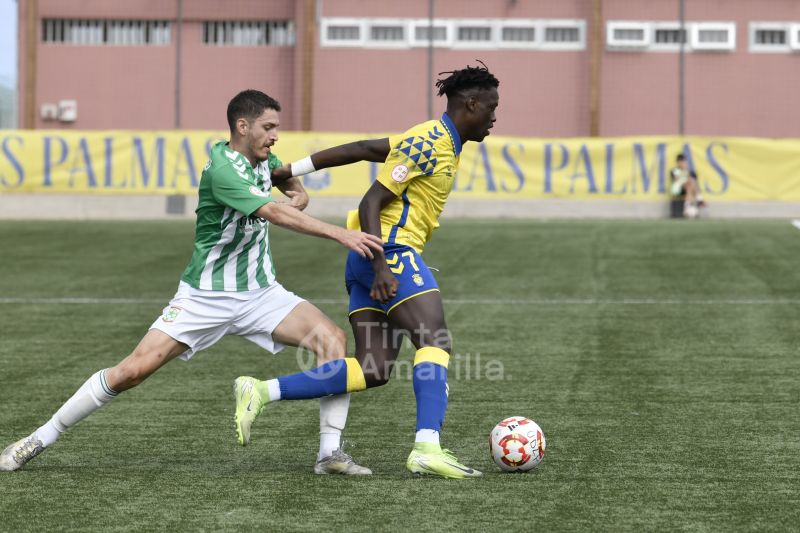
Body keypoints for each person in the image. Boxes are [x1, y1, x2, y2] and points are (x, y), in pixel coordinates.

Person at [0, 89, 384, 475]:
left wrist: (298, 196)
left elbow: (288, 186)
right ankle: (39, 438)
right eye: (269, 127)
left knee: (331, 340)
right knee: (131, 371)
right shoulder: (222, 169)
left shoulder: (263, 158)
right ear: (242, 126)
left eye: (276, 128)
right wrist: (341, 234)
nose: (275, 135)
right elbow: (274, 213)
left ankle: (329, 454)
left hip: (261, 292)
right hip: (205, 296)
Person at [234, 63, 499, 479]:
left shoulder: (433, 139)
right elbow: (369, 203)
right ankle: (427, 447)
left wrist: (290, 170)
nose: (494, 117)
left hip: (366, 259)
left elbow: (360, 148)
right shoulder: (431, 141)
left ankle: (261, 391)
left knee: (372, 369)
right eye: (491, 108)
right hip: (388, 252)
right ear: (470, 104)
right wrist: (381, 267)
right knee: (435, 340)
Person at [670, 154, 704, 218]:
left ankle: (687, 207)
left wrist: (686, 173)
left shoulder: (690, 171)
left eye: (683, 161)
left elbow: (695, 182)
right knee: (690, 182)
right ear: (677, 162)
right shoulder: (674, 171)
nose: (682, 163)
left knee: (690, 185)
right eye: (680, 161)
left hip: (688, 189)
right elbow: (676, 181)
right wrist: (685, 177)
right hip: (677, 189)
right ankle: (700, 200)